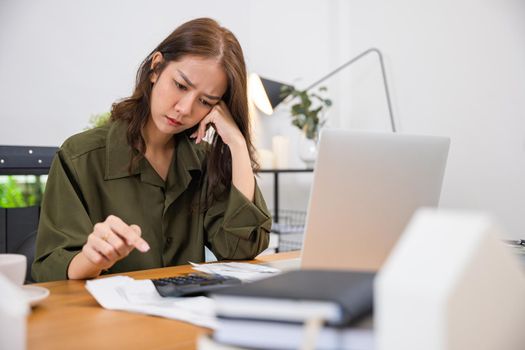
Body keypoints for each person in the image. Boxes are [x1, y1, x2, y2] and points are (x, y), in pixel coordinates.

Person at [32, 18, 271, 282]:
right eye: (180, 86)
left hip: (184, 318)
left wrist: (236, 144)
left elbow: (241, 249)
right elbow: (49, 269)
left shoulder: (203, 161)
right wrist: (92, 258)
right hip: (105, 319)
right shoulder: (80, 157)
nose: (185, 109)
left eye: (205, 101)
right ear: (156, 67)